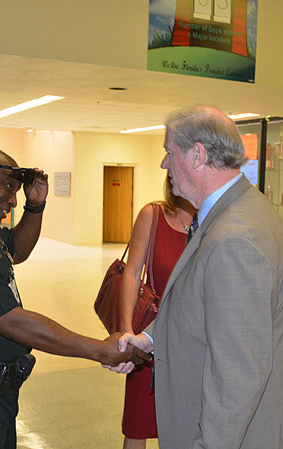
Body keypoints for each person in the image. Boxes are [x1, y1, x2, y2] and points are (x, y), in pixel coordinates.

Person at [0, 145, 150, 448]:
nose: (13, 200)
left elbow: (16, 250)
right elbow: (10, 321)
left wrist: (36, 207)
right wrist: (98, 349)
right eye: (8, 187)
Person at [112, 105, 283, 448]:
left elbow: (237, 378)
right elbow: (206, 307)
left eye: (170, 153)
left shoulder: (233, 239)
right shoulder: (237, 211)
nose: (164, 164)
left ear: (197, 155)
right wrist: (150, 339)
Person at [119, 176, 195, 449]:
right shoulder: (153, 215)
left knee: (185, 425)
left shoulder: (211, 222)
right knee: (138, 424)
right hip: (149, 337)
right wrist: (127, 329)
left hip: (193, 341)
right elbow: (132, 273)